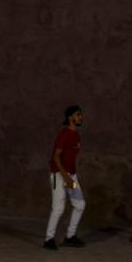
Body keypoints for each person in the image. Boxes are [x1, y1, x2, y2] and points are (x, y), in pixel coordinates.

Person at [44, 105, 86, 250]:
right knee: (58, 208)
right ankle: (49, 239)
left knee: (80, 205)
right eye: (78, 114)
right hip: (57, 176)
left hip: (70, 177)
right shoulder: (64, 134)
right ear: (70, 118)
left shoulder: (76, 134)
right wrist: (65, 177)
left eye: (81, 115)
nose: (81, 117)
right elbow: (56, 157)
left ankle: (70, 236)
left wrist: (71, 177)